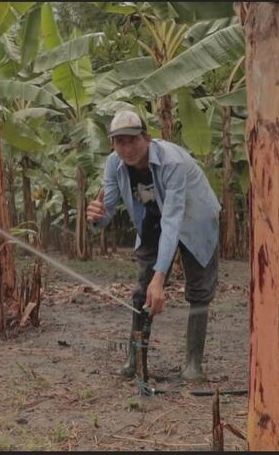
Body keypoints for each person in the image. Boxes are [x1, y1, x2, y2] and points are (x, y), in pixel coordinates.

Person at [86, 110, 221, 382]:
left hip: (196, 217)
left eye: (133, 140)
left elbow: (174, 219)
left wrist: (161, 279)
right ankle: (135, 359)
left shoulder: (171, 162)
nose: (127, 148)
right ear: (113, 144)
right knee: (142, 291)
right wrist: (97, 218)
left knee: (199, 290)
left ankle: (193, 365)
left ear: (146, 138)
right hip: (154, 219)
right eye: (119, 142)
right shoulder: (114, 164)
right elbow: (109, 209)